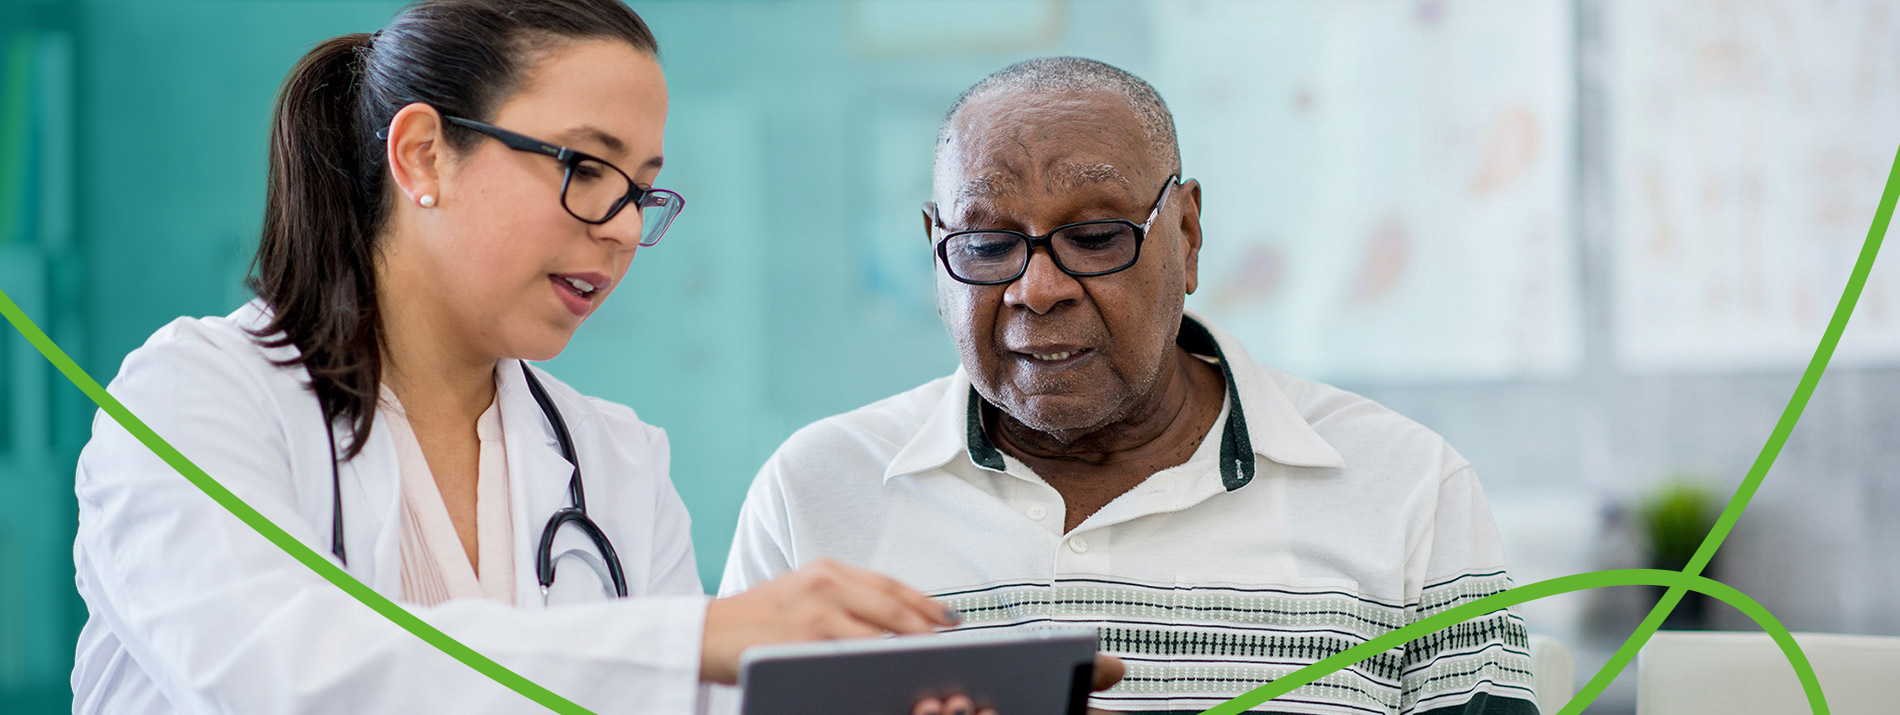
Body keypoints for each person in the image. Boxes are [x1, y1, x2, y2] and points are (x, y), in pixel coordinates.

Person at [69, 2, 973, 713]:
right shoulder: (194, 398)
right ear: (424, 156)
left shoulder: (613, 458)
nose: (622, 228)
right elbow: (279, 678)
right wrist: (688, 639)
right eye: (586, 166)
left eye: (643, 192)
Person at [719, 57, 1541, 714]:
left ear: (1186, 236)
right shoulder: (816, 491)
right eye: (986, 243)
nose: (1036, 288)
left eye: (1096, 235)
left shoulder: (1406, 488)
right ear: (936, 249)